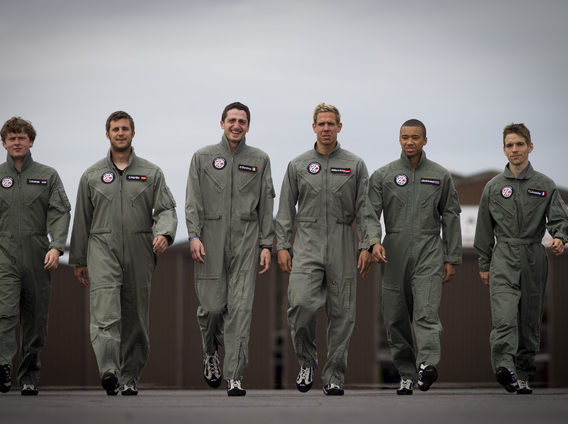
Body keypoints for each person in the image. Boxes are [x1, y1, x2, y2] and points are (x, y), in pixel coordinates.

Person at [69, 111, 178, 396]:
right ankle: (109, 371)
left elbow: (166, 209)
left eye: (125, 129)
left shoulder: (151, 173)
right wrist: (79, 260)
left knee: (136, 319)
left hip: (140, 249)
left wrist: (164, 233)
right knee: (104, 314)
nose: (120, 133)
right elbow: (82, 220)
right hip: (102, 248)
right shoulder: (92, 176)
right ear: (107, 134)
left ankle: (130, 376)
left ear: (132, 133)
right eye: (115, 129)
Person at [275, 103, 376, 396]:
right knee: (301, 306)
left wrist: (367, 244)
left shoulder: (355, 165)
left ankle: (334, 376)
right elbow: (284, 211)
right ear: (314, 127)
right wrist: (282, 245)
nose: (326, 128)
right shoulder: (298, 165)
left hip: (343, 240)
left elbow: (365, 209)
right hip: (306, 243)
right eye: (321, 124)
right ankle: (307, 362)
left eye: (331, 124)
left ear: (339, 127)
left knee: (343, 314)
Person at [0, 117, 71, 395]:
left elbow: (61, 212)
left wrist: (56, 246)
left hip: (38, 253)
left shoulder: (47, 175)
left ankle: (28, 375)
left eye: (22, 137)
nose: (17, 142)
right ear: (4, 142)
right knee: (3, 312)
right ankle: (1, 366)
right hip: (1, 252)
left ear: (31, 142)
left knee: (36, 320)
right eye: (11, 138)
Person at [474, 123, 568, 394]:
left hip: (533, 257)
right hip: (503, 257)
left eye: (519, 144)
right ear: (503, 150)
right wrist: (485, 264)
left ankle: (524, 373)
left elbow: (560, 217)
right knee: (504, 317)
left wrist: (559, 237)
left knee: (529, 321)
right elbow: (483, 229)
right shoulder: (493, 187)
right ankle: (505, 367)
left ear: (530, 147)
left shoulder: (544, 185)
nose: (514, 150)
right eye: (509, 145)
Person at [185, 102, 275, 397]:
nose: (237, 125)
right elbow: (193, 200)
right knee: (212, 308)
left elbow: (266, 204)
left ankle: (234, 375)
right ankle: (210, 352)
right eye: (232, 120)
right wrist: (194, 235)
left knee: (240, 310)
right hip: (210, 239)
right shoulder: (202, 157)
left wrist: (266, 244)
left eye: (242, 121)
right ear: (222, 123)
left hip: (247, 241)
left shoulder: (260, 159)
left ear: (248, 126)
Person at [368, 119, 462, 395]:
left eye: (415, 137)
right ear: (399, 140)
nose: (410, 142)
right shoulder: (383, 175)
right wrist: (373, 242)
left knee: (426, 312)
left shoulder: (440, 175)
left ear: (425, 140)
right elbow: (369, 214)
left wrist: (451, 258)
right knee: (395, 317)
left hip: (429, 247)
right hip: (393, 249)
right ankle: (407, 374)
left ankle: (427, 365)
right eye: (405, 137)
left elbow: (451, 216)